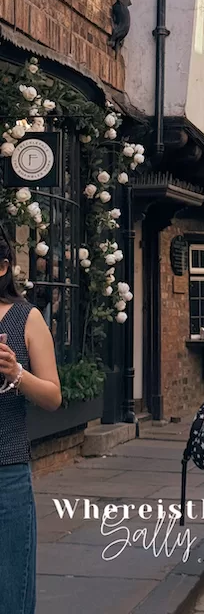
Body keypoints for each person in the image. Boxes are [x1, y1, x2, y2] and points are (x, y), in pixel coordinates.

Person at [0, 228, 62, 613]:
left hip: (7, 473)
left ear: (3, 267)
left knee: (11, 592)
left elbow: (53, 396)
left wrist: (16, 373)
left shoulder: (26, 317)